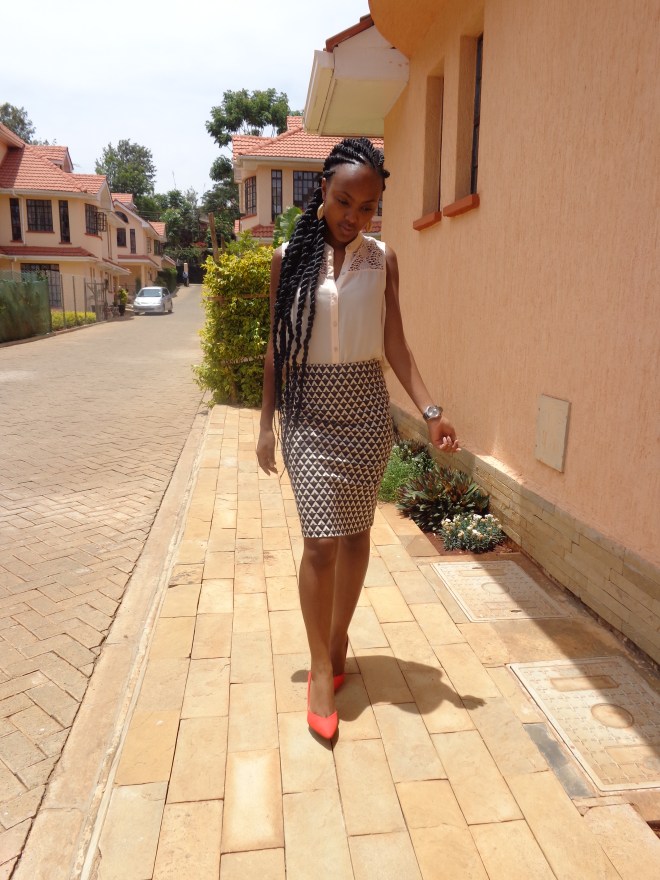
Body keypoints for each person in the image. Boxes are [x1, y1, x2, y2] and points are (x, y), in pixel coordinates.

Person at [257, 137, 460, 740]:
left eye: (367, 207)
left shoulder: (382, 260)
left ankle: (339, 637)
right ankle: (321, 669)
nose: (353, 216)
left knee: (354, 534)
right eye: (344, 201)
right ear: (323, 189)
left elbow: (396, 342)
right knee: (320, 542)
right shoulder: (289, 257)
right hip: (308, 411)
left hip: (366, 409)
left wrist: (430, 411)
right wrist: (265, 423)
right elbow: (276, 345)